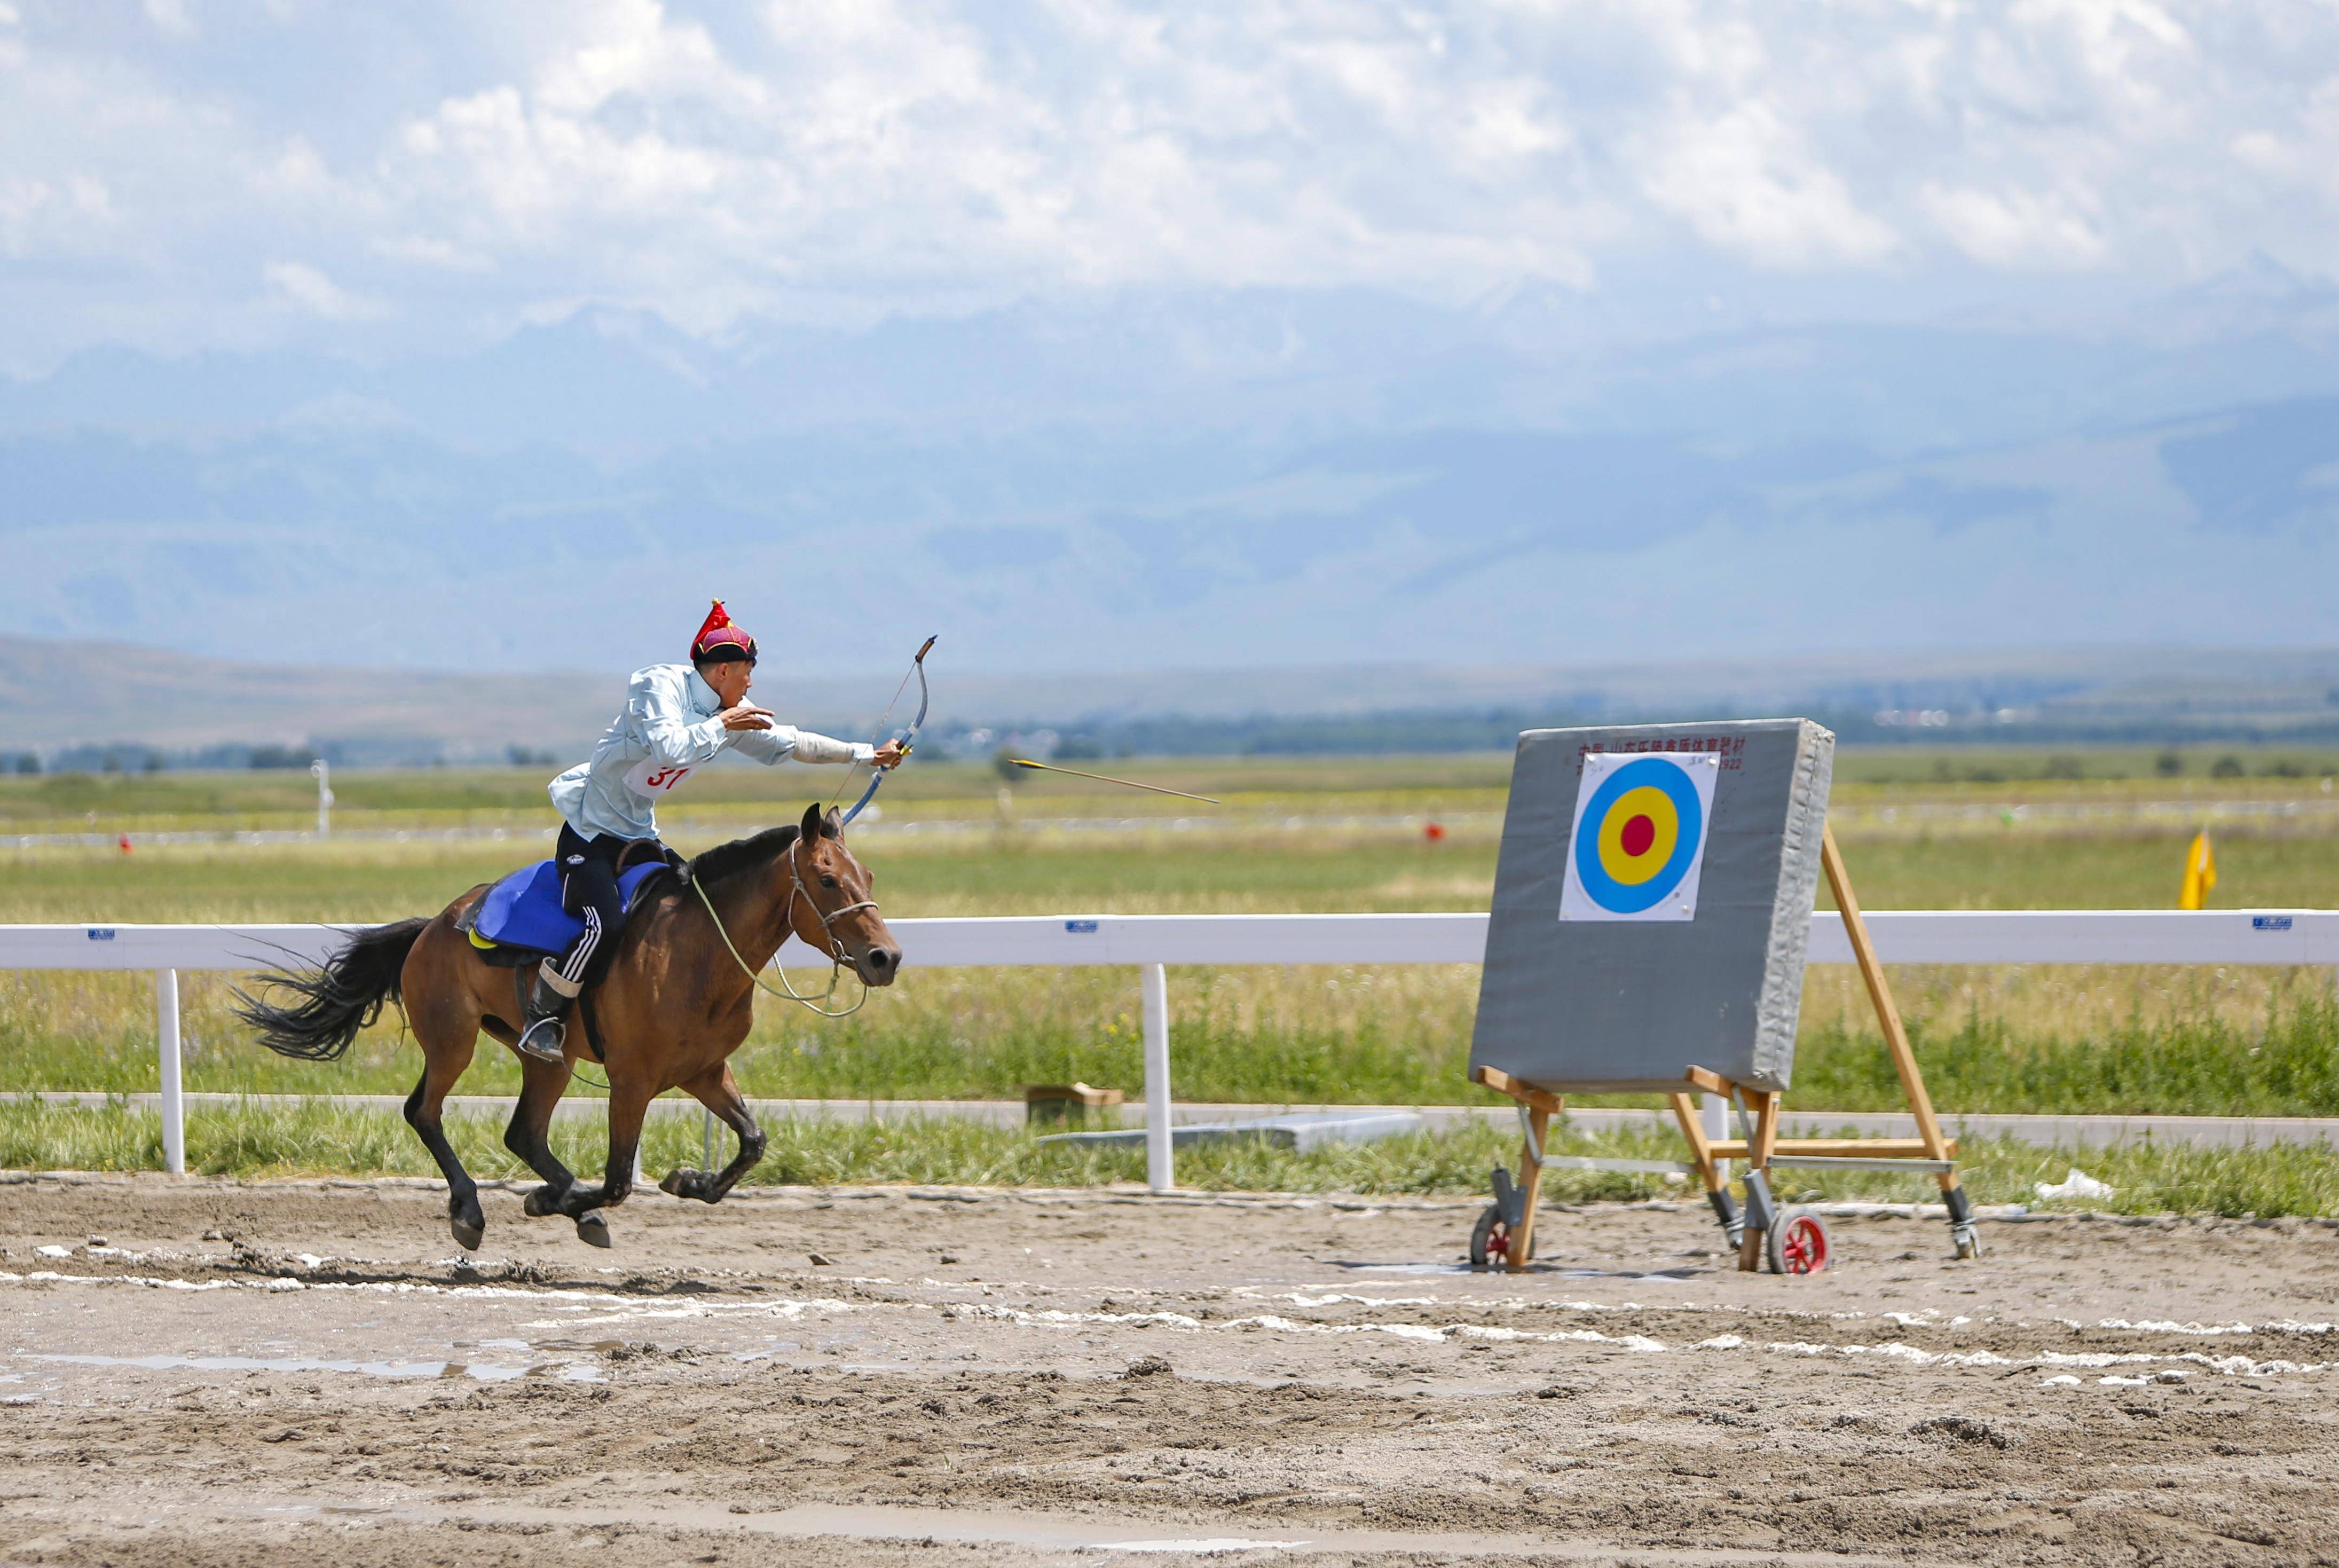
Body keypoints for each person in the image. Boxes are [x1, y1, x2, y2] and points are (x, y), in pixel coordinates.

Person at [515, 601, 905, 1062]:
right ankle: (542, 1016)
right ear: (723, 671)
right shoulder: (658, 685)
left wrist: (866, 755)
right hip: (589, 836)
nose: (750, 684)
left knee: (696, 912)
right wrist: (723, 724)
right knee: (606, 924)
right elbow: (669, 747)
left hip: (641, 835)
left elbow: (793, 742)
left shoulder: (729, 712)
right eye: (747, 673)